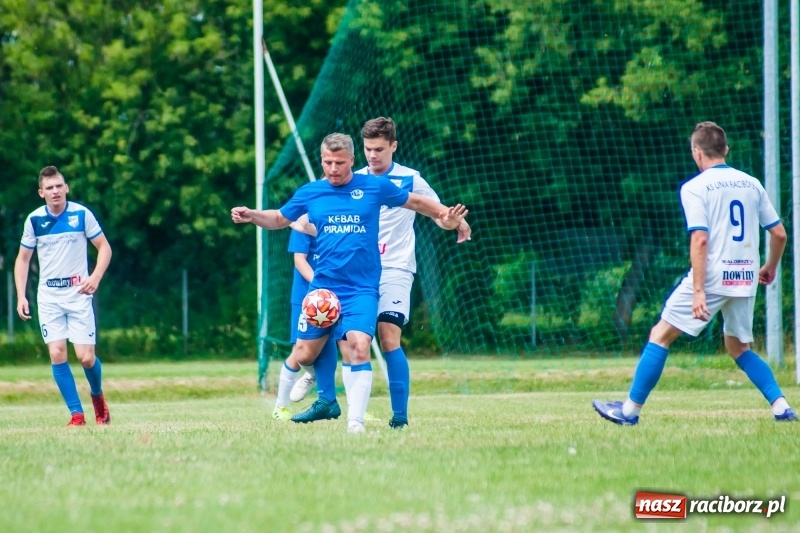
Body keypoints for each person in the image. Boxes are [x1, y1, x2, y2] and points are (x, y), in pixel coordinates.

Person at [231, 133, 467, 433]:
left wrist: (447, 215)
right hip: (323, 291)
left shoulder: (374, 185)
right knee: (304, 353)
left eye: (339, 163)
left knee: (358, 347)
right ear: (321, 161)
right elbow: (278, 218)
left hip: (361, 289)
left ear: (352, 161)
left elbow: (417, 202)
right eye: (327, 162)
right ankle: (300, 402)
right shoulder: (311, 192)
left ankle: (355, 424)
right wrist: (252, 215)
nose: (333, 168)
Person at [593, 121, 796, 425]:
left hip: (712, 276)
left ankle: (628, 412)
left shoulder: (694, 187)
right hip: (744, 275)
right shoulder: (752, 183)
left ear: (697, 153)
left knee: (660, 335)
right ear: (725, 150)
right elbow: (779, 233)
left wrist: (699, 290)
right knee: (739, 347)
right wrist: (769, 267)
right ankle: (782, 408)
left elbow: (700, 239)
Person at [14, 166, 113, 426]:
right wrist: (21, 296)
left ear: (66, 187)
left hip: (78, 294)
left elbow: (104, 248)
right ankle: (77, 415)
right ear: (41, 193)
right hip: (49, 296)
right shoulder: (34, 220)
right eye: (49, 188)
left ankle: (97, 398)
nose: (55, 191)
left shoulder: (81, 214)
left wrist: (95, 277)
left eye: (59, 186)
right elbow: (23, 260)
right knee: (57, 353)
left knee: (86, 357)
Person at [269, 228, 338, 421]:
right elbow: (299, 260)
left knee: (349, 345)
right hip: (307, 297)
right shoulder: (303, 221)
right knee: (300, 352)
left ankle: (356, 408)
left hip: (337, 296)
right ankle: (281, 406)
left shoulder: (341, 218)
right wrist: (321, 287)